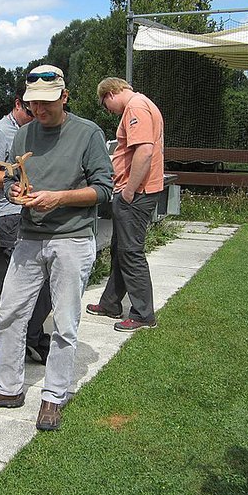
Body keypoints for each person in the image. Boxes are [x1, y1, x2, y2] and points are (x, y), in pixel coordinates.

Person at [0, 65, 113, 431]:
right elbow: (13, 180)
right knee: (11, 313)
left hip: (72, 238)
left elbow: (104, 189)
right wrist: (16, 192)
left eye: (47, 103)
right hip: (28, 238)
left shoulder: (87, 133)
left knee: (64, 322)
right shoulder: (24, 134)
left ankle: (54, 395)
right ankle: (8, 387)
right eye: (33, 104)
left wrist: (59, 198)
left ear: (64, 97)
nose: (40, 111)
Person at [0, 87, 53, 363]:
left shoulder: (34, 131)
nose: (36, 116)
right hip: (9, 214)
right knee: (33, 282)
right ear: (18, 104)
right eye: (31, 111)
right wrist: (18, 175)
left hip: (31, 212)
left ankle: (30, 337)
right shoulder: (0, 133)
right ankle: (31, 339)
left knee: (46, 278)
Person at [86, 77, 165, 332]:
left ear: (110, 94)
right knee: (121, 248)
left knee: (131, 252)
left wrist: (129, 190)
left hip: (136, 194)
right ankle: (111, 303)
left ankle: (143, 314)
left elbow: (144, 151)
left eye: (104, 104)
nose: (108, 110)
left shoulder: (135, 108)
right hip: (137, 191)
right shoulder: (144, 103)